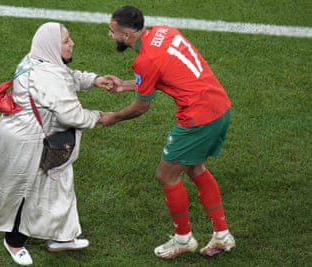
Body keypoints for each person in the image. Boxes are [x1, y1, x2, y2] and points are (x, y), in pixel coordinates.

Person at [99, 6, 236, 259]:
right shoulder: (164, 32)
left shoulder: (144, 60)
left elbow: (142, 106)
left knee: (166, 175)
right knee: (195, 168)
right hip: (219, 107)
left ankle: (183, 239)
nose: (110, 35)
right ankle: (222, 235)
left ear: (127, 36)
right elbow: (169, 74)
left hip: (198, 117)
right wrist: (126, 85)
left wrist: (113, 117)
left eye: (112, 31)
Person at [0, 22, 119, 265]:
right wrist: (99, 117)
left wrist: (94, 80)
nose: (72, 44)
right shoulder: (48, 77)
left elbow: (65, 77)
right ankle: (14, 242)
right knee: (25, 191)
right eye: (66, 41)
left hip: (26, 135)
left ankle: (63, 237)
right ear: (51, 46)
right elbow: (71, 115)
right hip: (28, 143)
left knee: (60, 183)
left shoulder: (36, 59)